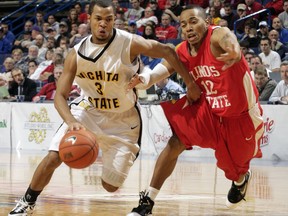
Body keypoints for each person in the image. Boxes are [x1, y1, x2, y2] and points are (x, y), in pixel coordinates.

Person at [8, 1, 200, 215]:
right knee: (54, 155)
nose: (103, 24)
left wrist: (190, 84)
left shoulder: (129, 43)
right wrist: (72, 122)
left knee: (111, 186)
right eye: (98, 18)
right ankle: (27, 202)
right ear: (88, 19)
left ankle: (97, 151)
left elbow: (168, 51)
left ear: (113, 21)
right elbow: (60, 97)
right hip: (87, 111)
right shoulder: (76, 53)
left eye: (108, 19)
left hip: (123, 121)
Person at [127, 5, 264, 215]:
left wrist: (235, 51)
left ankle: (240, 179)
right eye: (183, 25)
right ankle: (148, 201)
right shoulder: (182, 49)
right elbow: (159, 72)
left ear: (206, 22)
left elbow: (228, 39)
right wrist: (143, 79)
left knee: (235, 168)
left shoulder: (217, 35)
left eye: (193, 21)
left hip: (240, 115)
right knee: (176, 141)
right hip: (209, 110)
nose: (188, 28)